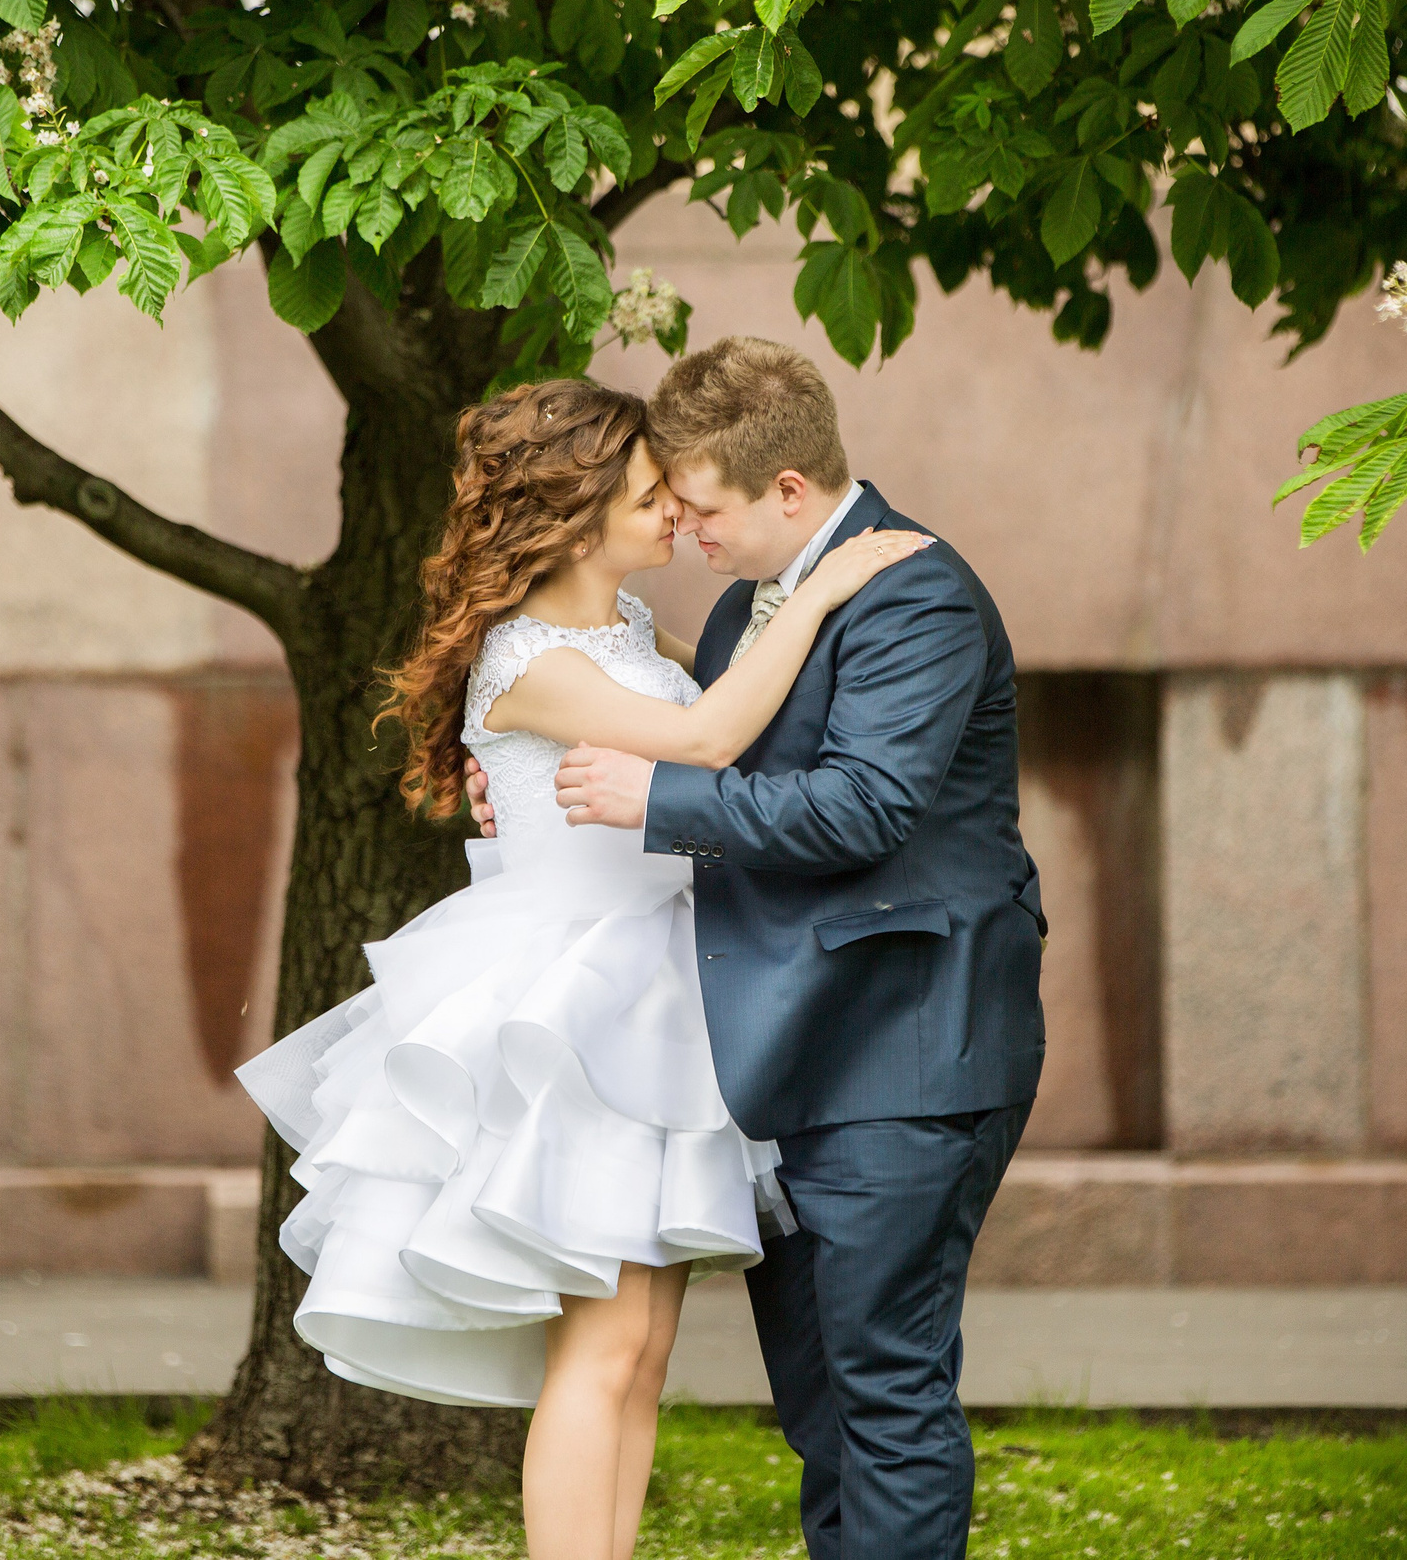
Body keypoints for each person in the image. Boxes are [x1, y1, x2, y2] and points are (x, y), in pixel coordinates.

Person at [233, 375, 930, 1560]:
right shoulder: (528, 660)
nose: (676, 516)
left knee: (639, 1358)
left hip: (662, 1003)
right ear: (573, 510)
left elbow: (724, 720)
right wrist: (815, 596)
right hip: (577, 1017)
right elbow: (708, 739)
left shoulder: (620, 636)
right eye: (652, 496)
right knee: (601, 1352)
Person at [486, 337, 1048, 1560]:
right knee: (827, 1404)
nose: (686, 532)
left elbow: (865, 809)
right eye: (668, 509)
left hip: (904, 1046)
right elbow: (684, 729)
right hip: (781, 1056)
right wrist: (521, 791)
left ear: (786, 492)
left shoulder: (916, 595)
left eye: (702, 508)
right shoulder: (750, 605)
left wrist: (651, 802)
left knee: (884, 1394)